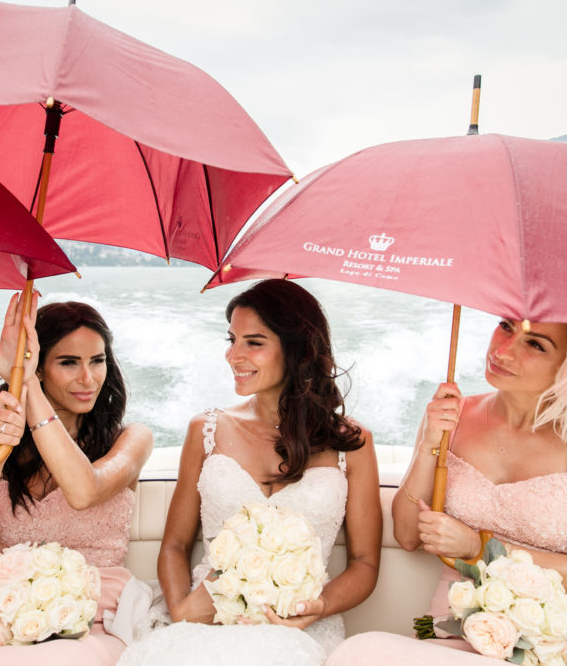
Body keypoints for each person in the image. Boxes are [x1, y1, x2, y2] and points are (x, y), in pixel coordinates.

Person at [328, 319, 567, 665]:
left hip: (558, 647)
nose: (504, 350)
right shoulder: (451, 417)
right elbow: (407, 535)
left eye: (535, 344)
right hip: (446, 635)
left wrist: (479, 547)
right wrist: (429, 446)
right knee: (359, 653)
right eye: (506, 326)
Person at [118, 279, 382, 666]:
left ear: (299, 350)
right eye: (231, 339)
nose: (233, 355)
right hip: (203, 620)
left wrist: (318, 605)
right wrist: (182, 611)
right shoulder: (204, 430)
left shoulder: (352, 443)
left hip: (298, 626)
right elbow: (175, 545)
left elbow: (365, 563)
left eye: (253, 342)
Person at [0, 295, 153, 665]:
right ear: (40, 367)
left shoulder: (131, 439)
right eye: (69, 363)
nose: (88, 379)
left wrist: (26, 387)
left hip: (100, 621)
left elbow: (84, 491)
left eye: (97, 361)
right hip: (13, 620)